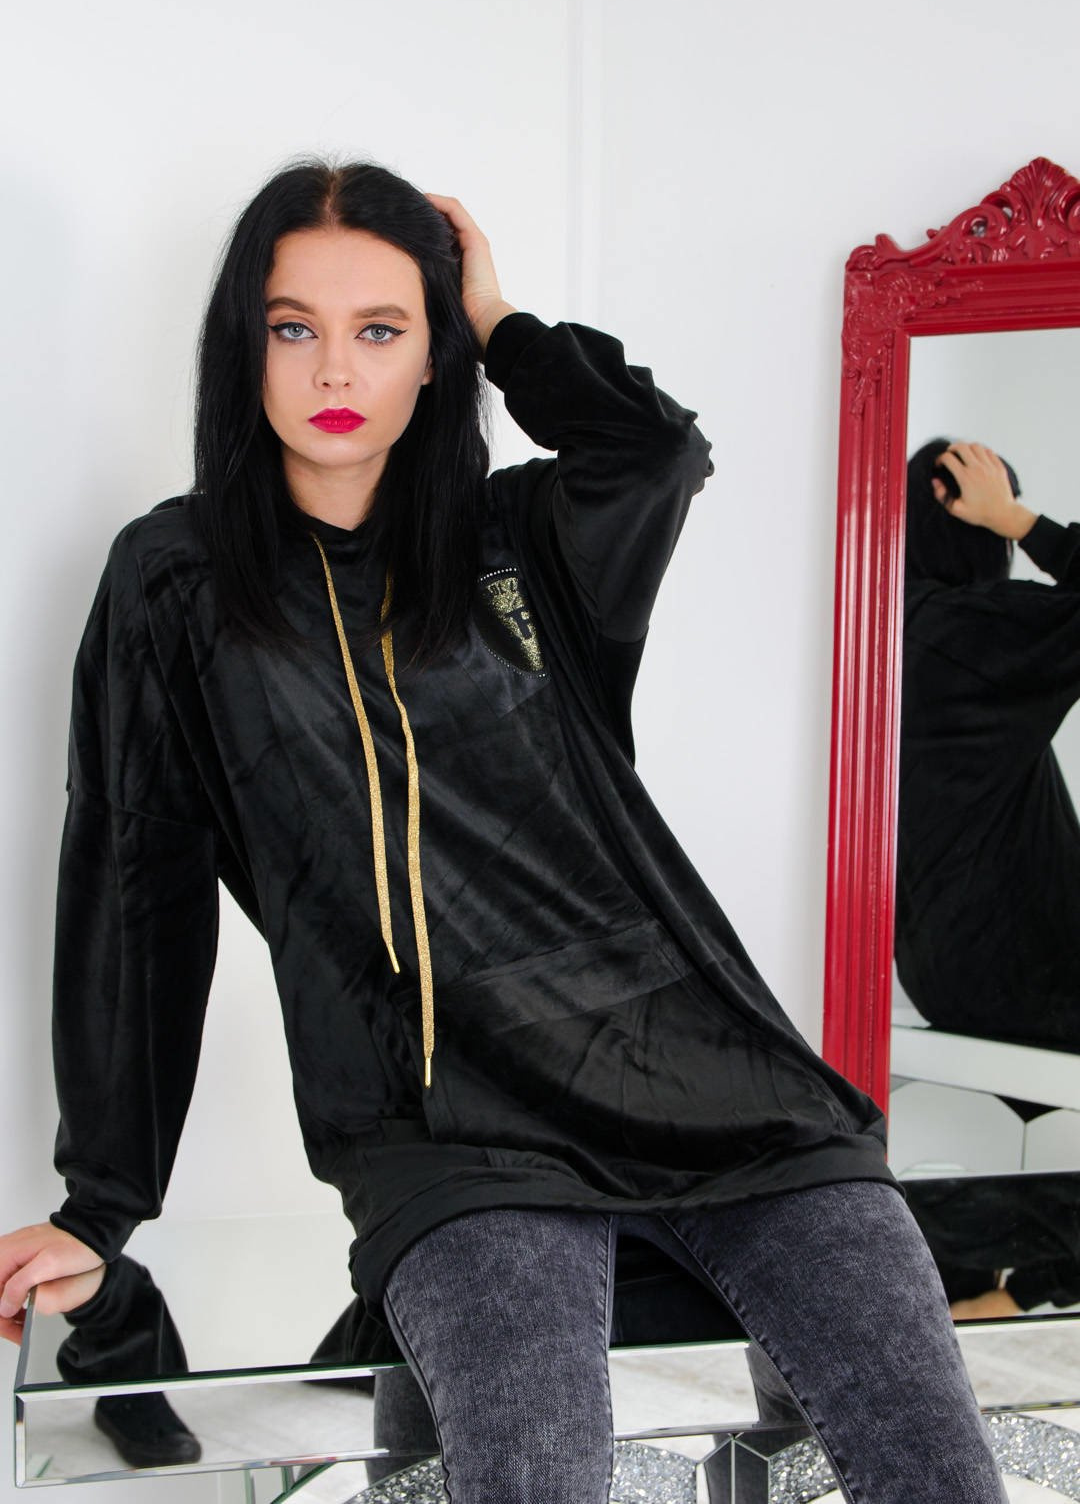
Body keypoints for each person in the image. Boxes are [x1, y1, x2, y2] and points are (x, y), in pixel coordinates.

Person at [0, 162, 1006, 1503]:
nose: (334, 367)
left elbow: (657, 452)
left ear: (434, 355)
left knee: (940, 1470)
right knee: (535, 1479)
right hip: (456, 1136)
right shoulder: (177, 581)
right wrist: (102, 1198)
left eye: (381, 327)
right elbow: (140, 879)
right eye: (293, 326)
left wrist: (500, 317)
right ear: (243, 343)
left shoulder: (522, 538)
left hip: (726, 1091)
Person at [897, 437, 1080, 1050]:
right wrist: (1016, 518)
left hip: (941, 975)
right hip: (1041, 976)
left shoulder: (884, 625)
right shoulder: (978, 630)